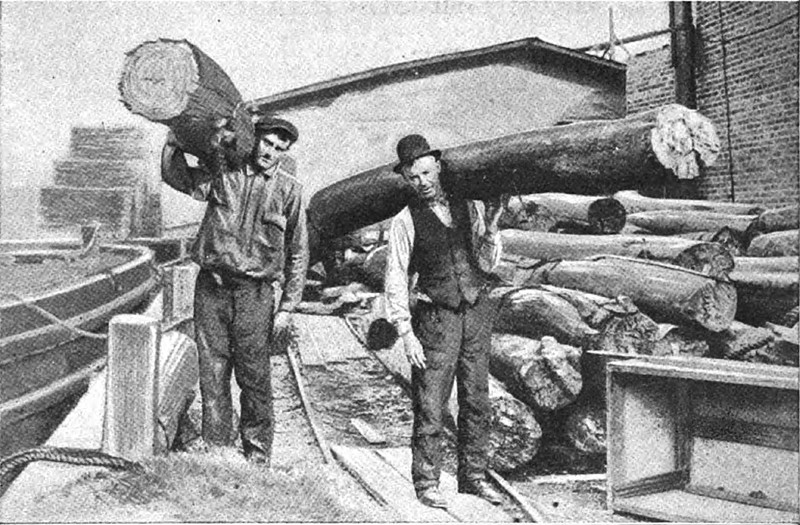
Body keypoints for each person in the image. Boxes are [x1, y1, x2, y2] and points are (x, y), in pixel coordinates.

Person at [161, 115, 309, 465]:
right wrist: (173, 142)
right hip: (211, 289)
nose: (270, 152)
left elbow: (299, 252)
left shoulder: (290, 191)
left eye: (279, 148)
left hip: (254, 295)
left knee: (254, 376)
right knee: (212, 374)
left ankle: (257, 456)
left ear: (285, 152)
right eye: (267, 143)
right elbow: (176, 176)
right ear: (255, 140)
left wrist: (288, 307)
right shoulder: (224, 174)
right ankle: (219, 451)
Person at [384, 134, 507, 508]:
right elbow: (395, 277)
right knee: (430, 404)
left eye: (426, 173)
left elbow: (487, 264)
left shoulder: (468, 208)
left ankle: (474, 478)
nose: (422, 182)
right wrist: (406, 333)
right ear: (406, 178)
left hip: (475, 313)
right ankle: (427, 483)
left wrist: (492, 228)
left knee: (476, 399)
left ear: (437, 167)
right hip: (436, 320)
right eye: (413, 177)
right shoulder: (405, 220)